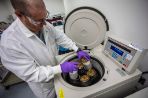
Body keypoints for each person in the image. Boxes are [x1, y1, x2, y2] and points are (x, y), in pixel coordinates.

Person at [0, 0, 90, 98]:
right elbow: (31, 74)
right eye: (38, 20)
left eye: (45, 16)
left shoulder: (44, 23)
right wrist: (60, 68)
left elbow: (59, 36)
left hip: (57, 72)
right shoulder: (9, 43)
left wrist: (76, 49)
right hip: (44, 85)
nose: (44, 23)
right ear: (19, 15)